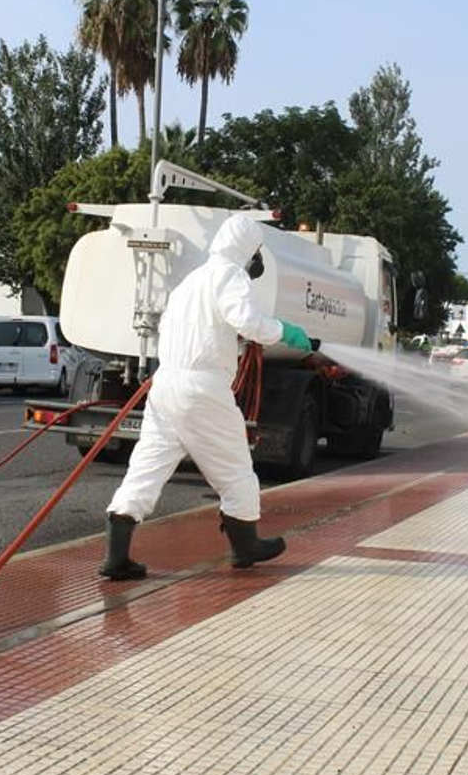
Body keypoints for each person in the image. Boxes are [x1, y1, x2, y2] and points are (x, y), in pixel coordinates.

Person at [99, 214, 312, 581]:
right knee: (235, 468)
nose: (256, 260)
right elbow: (248, 321)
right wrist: (285, 331)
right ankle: (246, 546)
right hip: (202, 388)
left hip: (166, 385)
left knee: (147, 468)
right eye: (256, 252)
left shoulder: (191, 281)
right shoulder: (230, 275)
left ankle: (116, 556)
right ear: (246, 249)